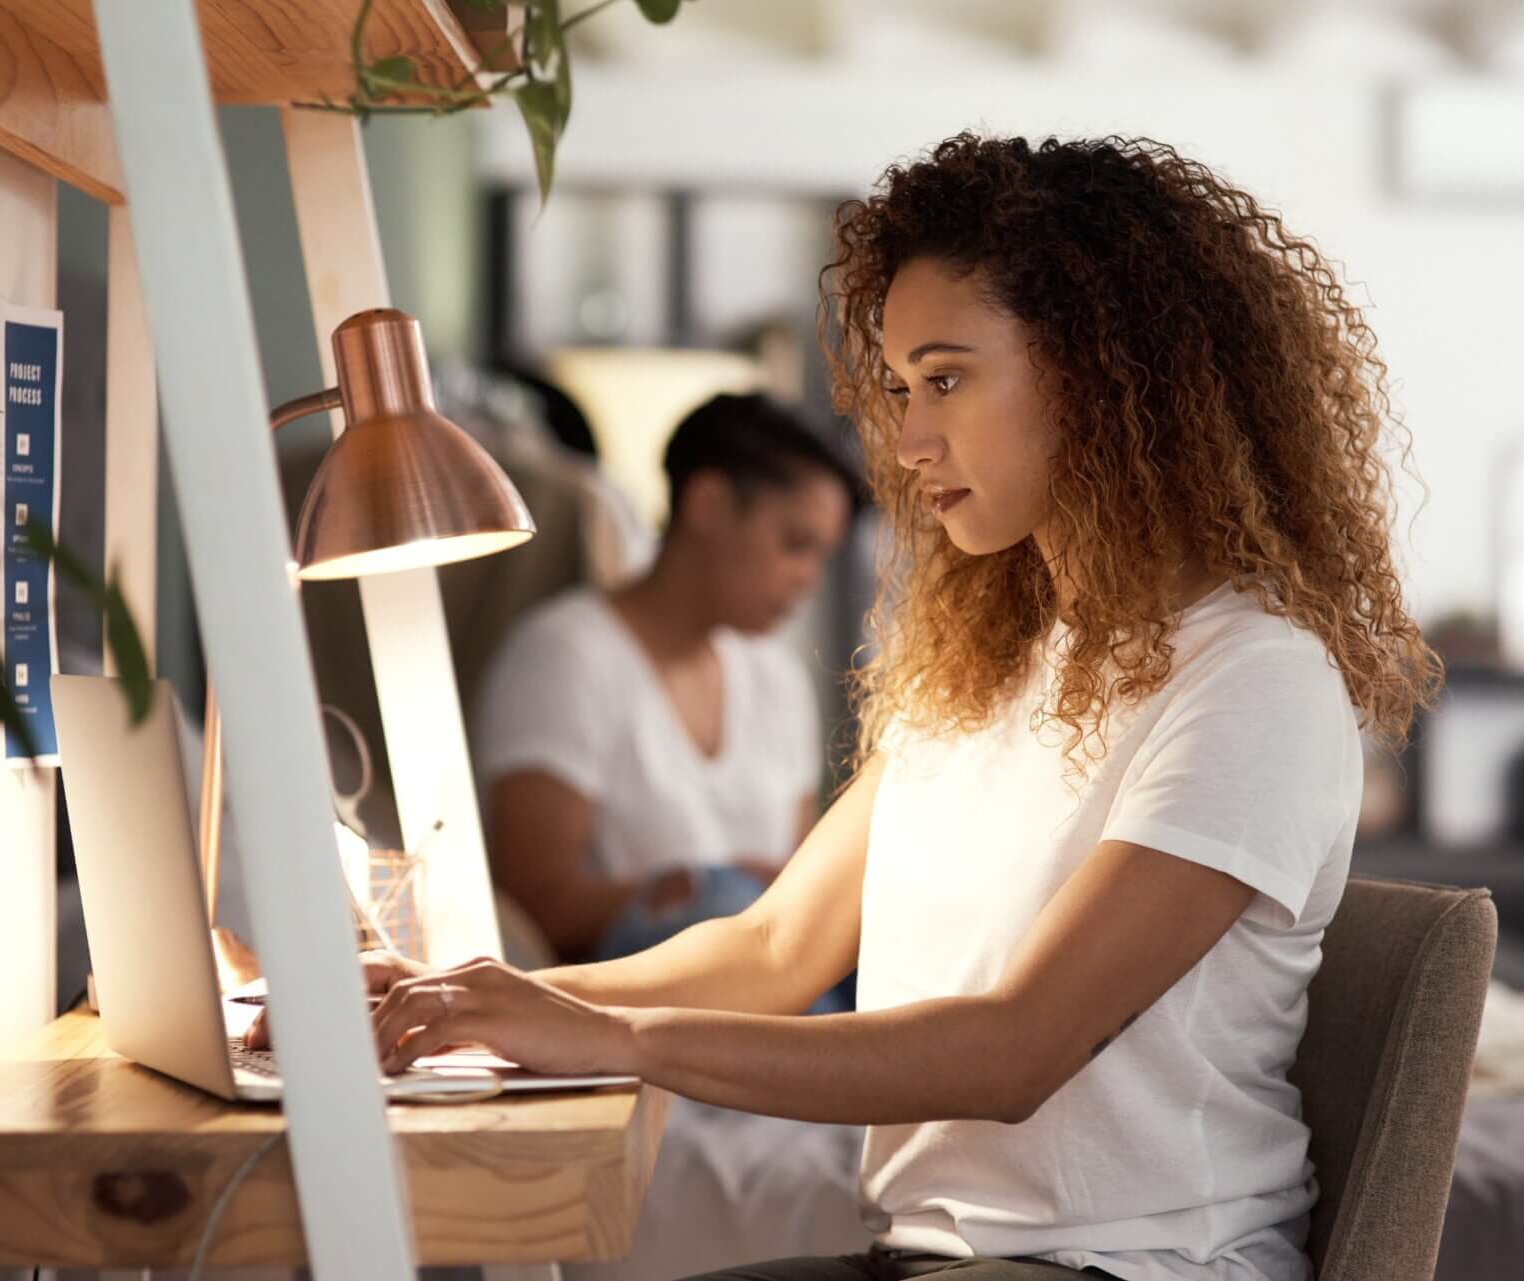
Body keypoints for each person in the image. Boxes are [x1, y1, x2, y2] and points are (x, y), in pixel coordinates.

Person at [251, 133, 1440, 1281]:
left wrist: (610, 1040)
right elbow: (773, 950)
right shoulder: (995, 663)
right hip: (926, 1256)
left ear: (1098, 372)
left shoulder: (1255, 680)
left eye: (947, 380)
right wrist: (464, 994)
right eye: (899, 385)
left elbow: (1014, 1051)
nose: (910, 441)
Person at [476, 392, 861, 971]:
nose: (808, 578)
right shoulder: (566, 655)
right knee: (727, 900)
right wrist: (716, 891)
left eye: (821, 556)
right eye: (794, 544)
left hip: (765, 992)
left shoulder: (777, 678)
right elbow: (534, 903)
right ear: (706, 503)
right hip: (622, 1000)